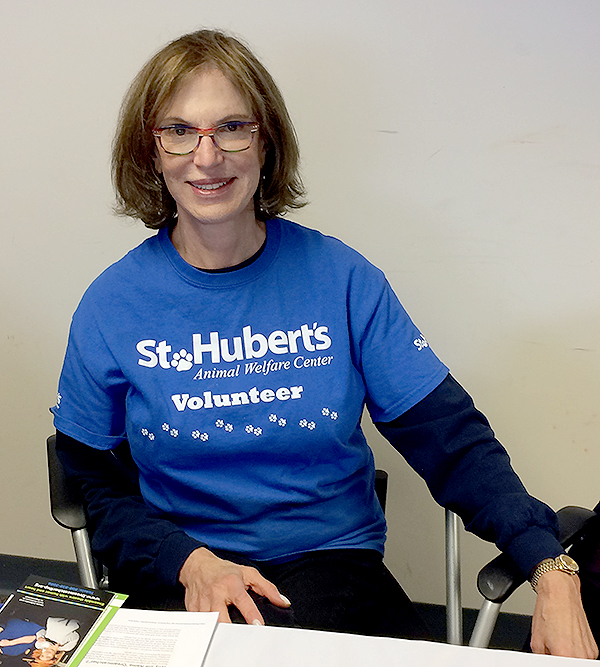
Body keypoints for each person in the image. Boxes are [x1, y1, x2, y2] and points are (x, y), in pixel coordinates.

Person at [51, 29, 597, 657]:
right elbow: (95, 484)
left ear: (266, 142)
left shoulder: (342, 280)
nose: (207, 156)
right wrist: (187, 560)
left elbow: (452, 441)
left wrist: (549, 566)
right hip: (184, 575)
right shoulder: (112, 304)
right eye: (178, 131)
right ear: (150, 152)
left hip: (331, 569)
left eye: (232, 127)